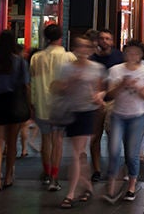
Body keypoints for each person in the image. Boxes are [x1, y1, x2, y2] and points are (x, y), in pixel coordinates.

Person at [51, 35, 105, 208]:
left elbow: (100, 90)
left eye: (86, 47)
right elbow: (55, 88)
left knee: (76, 152)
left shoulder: (96, 68)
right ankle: (87, 186)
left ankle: (70, 193)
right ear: (74, 49)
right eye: (79, 46)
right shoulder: (66, 68)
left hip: (87, 112)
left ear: (90, 50)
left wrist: (98, 97)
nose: (82, 50)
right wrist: (70, 83)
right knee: (80, 153)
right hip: (69, 111)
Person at [104, 40, 144, 203]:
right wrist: (121, 85)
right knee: (113, 150)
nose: (132, 56)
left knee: (132, 154)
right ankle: (111, 184)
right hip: (118, 114)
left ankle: (131, 186)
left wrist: (138, 87)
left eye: (135, 53)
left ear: (141, 55)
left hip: (137, 116)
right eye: (129, 52)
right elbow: (109, 95)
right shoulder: (115, 70)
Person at [0, 31, 31, 192]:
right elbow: (26, 85)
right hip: (14, 102)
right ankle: (8, 176)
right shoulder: (20, 62)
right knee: (11, 143)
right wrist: (30, 104)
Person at [29, 24, 76, 190]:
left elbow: (33, 84)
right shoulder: (69, 58)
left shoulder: (36, 58)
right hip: (60, 106)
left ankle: (47, 174)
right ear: (60, 37)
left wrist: (33, 104)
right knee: (58, 141)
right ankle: (54, 177)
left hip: (41, 104)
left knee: (45, 141)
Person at [88, 30, 123, 183]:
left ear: (112, 41)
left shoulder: (119, 57)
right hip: (95, 103)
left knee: (112, 136)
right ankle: (96, 170)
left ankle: (112, 168)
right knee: (94, 137)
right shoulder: (92, 59)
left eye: (107, 38)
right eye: (101, 38)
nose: (104, 41)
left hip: (114, 101)